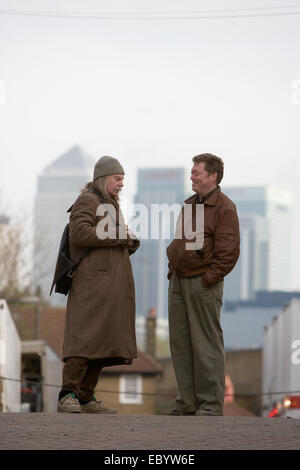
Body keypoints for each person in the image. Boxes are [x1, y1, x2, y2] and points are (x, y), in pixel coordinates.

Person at [57, 156, 140, 413]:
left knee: (103, 342)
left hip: (110, 287)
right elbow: (80, 233)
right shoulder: (88, 200)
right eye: (117, 179)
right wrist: (118, 236)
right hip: (92, 286)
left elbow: (112, 241)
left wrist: (130, 240)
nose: (121, 184)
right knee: (84, 339)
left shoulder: (110, 204)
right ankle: (67, 394)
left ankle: (85, 396)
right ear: (103, 179)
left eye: (123, 179)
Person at [165, 153, 240, 416]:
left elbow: (228, 254)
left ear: (213, 176)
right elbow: (179, 242)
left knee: (206, 344)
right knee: (181, 343)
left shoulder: (225, 208)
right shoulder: (190, 205)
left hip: (202, 283)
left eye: (197, 172)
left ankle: (209, 404)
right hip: (178, 282)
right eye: (192, 172)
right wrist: (172, 267)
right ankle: (187, 402)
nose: (192, 176)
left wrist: (208, 279)